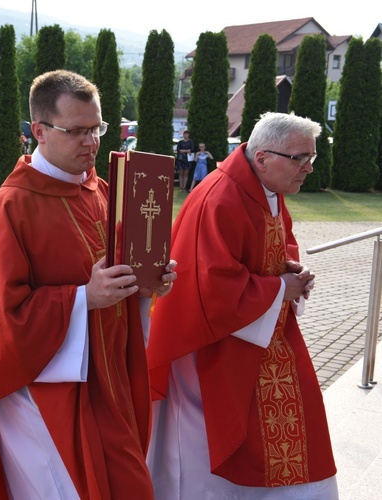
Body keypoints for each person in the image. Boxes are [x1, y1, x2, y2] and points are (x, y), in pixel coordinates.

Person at [0, 69, 176, 500]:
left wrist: (147, 284)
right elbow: (1, 319)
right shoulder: (10, 208)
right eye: (76, 131)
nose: (91, 142)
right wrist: (83, 299)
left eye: (97, 129)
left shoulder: (101, 192)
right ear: (38, 131)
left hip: (108, 376)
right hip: (47, 393)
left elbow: (118, 279)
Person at [146, 112, 338, 499]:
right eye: (301, 158)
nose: (309, 168)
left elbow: (274, 244)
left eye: (312, 158)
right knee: (207, 449)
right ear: (263, 156)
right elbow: (210, 287)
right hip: (208, 344)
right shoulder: (222, 196)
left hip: (254, 331)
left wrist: (289, 270)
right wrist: (278, 288)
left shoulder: (265, 189)